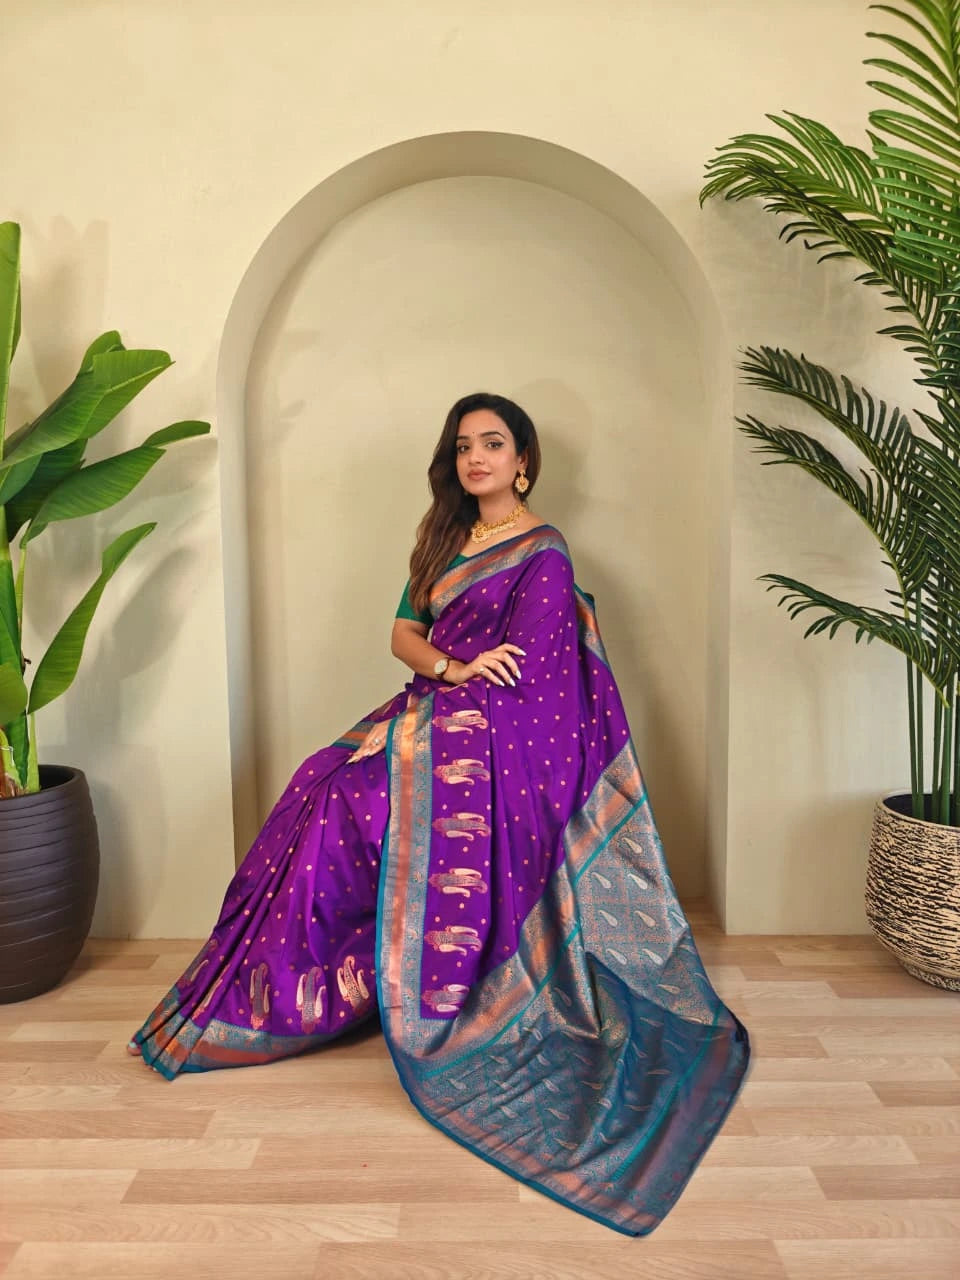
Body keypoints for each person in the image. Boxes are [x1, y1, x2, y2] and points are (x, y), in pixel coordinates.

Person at [129, 391, 749, 1236]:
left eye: (494, 444)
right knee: (319, 783)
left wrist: (451, 700)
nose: (477, 458)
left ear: (524, 460)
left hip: (498, 738)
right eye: (464, 446)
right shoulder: (444, 540)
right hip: (437, 706)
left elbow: (533, 687)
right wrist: (452, 673)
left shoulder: (544, 553)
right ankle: (280, 997)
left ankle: (374, 982)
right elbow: (403, 638)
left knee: (353, 796)